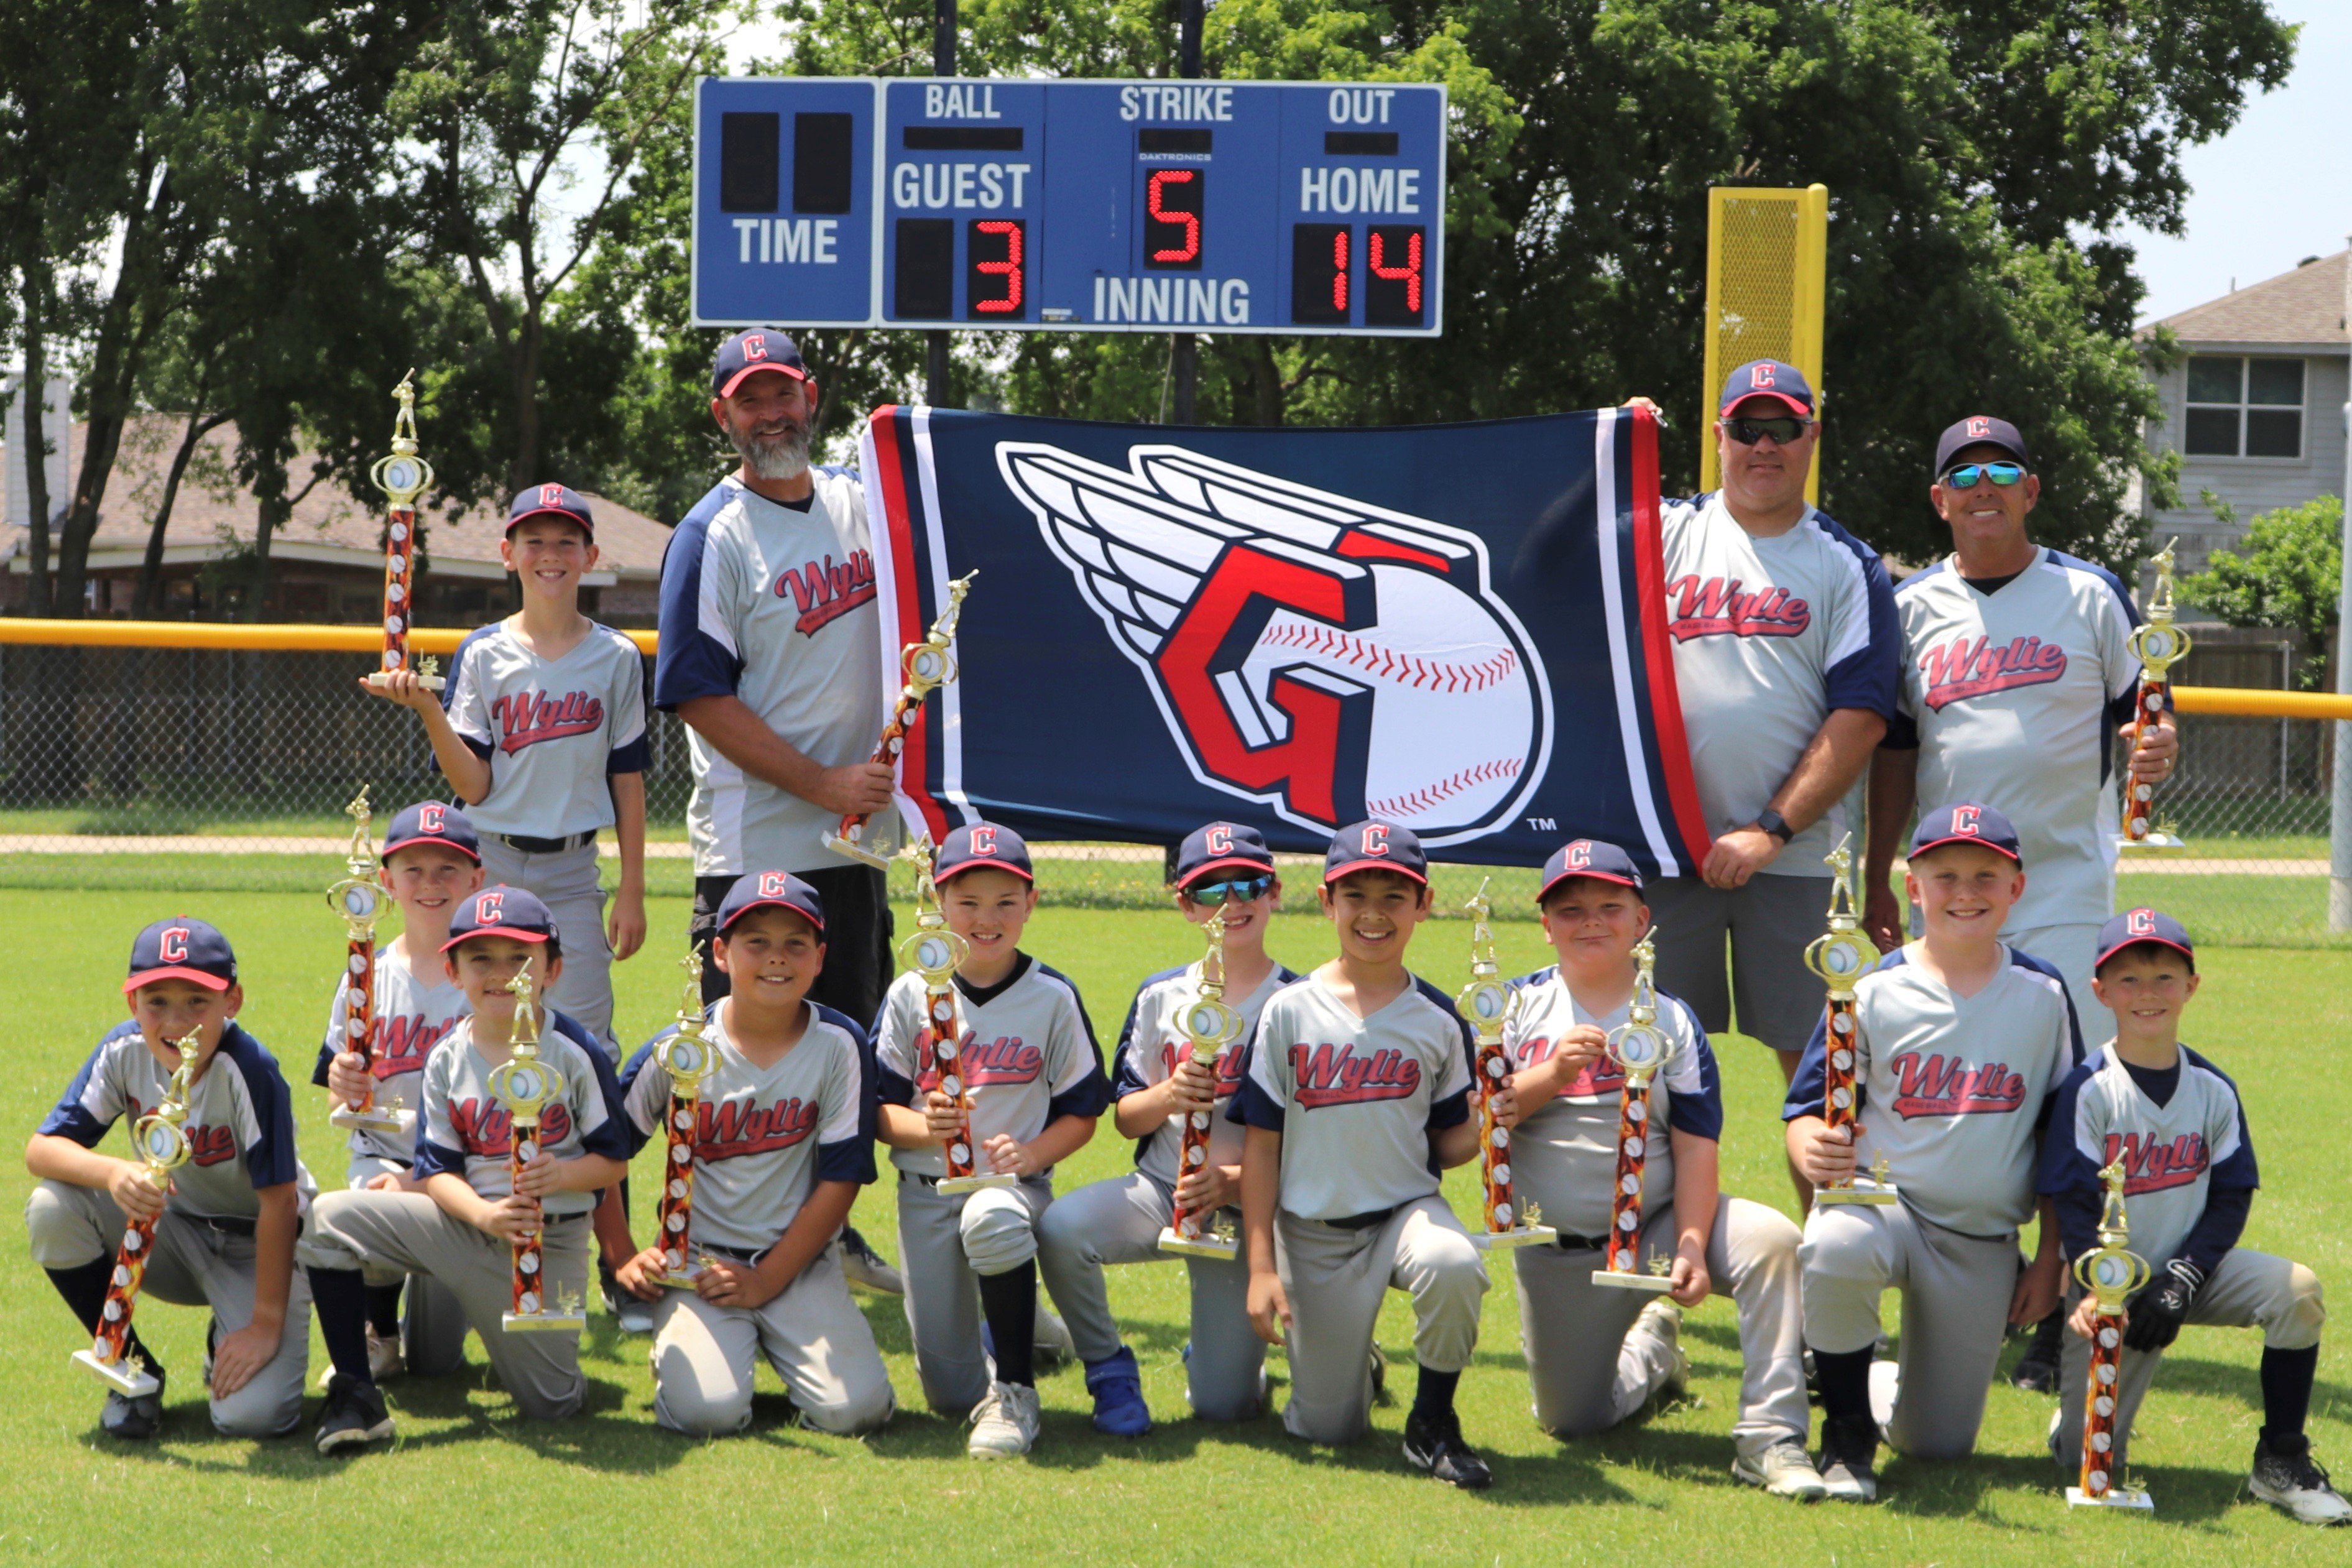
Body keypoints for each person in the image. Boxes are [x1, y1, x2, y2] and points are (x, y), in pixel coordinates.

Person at [1863, 414, 2179, 1390]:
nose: (1982, 486)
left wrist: (2159, 752)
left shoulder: (2087, 595)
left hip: (2062, 885)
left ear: (2030, 489)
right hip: (1951, 896)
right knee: (1960, 1088)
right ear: (1938, 499)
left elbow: (2146, 716)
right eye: (1962, 474)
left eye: (2001, 469)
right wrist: (1881, 869)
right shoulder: (1911, 604)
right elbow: (1896, 750)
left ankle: (2069, 1295)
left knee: (2076, 1094)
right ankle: (1956, 1278)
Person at [653, 328, 903, 1298]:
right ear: (724, 415)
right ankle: (705, 1243)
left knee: (843, 1055)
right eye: (749, 400)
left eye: (783, 393)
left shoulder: (860, 504)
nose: (771, 414)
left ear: (811, 394)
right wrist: (823, 783)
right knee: (737, 1069)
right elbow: (697, 694)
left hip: (858, 848)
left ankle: (825, 1239)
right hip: (756, 846)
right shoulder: (708, 534)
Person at [1635, 363, 1900, 1171]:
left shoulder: (1843, 565)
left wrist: (1766, 828)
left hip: (1795, 862)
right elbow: (1544, 544)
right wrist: (1615, 453)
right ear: (1715, 435)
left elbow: (1857, 719)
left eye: (1781, 427)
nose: (1761, 444)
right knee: (1642, 1070)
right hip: (1661, 855)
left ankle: (1824, 1266)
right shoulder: (1658, 532)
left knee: (1818, 1078)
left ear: (1809, 440)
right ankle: (1647, 1265)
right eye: (1744, 426)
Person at [1497, 839, 1821, 1499]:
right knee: (1573, 1420)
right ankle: (1655, 1350)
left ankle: (1772, 1438)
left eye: (1610, 906)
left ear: (1642, 918)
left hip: (1659, 1223)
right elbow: (1484, 1118)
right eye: (1571, 908)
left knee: (1774, 1242)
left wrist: (1696, 1243)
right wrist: (1552, 1074)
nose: (1591, 920)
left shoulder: (1671, 1017)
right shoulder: (1513, 1007)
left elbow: (1697, 1142)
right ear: (1545, 924)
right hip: (1561, 1250)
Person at [1784, 803, 2080, 1501]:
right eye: (1944, 874)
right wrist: (1814, 1150)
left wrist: (2050, 1258)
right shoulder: (1870, 985)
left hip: (1979, 1234)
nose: (1965, 890)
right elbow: (1805, 1109)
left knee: (1937, 1444)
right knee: (1834, 1244)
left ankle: (1880, 1381)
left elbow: (2064, 1139)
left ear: (2018, 887)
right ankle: (1848, 1432)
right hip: (1884, 1206)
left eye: (1987, 874)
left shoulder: (2042, 994)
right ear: (1913, 887)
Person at [2040, 908, 2346, 1524]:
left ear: (2191, 985)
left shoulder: (2212, 1087)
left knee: (2298, 1291)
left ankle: (2281, 1459)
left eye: (2163, 976)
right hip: (2111, 1288)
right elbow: (2072, 1197)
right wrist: (2090, 1279)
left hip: (2192, 1271)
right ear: (2100, 991)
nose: (2146, 992)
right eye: (2127, 979)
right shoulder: (2090, 1087)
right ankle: (2065, 1424)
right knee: (2087, 1456)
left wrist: (2183, 1278)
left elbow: (2232, 1193)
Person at [303, 887, 631, 1452]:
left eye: (519, 959)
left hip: (549, 1243)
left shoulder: (576, 1052)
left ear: (552, 968)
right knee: (329, 1216)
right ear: (454, 972)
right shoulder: (447, 1057)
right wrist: (483, 1213)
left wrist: (562, 1176)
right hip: (463, 1226)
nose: (501, 974)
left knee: (550, 1406)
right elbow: (436, 1172)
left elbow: (614, 1161)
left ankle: (496, 1324)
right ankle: (356, 1388)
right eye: (481, 959)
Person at [1231, 821, 1495, 1488]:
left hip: (1404, 1214)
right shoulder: (1290, 1010)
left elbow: (1450, 1144)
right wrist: (1262, 1265)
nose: (1374, 912)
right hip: (1313, 1233)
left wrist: (1494, 1121)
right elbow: (1262, 1145)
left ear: (1424, 903)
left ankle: (1433, 1421)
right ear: (1327, 902)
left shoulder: (1437, 1017)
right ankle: (1357, 1361)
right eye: (1356, 895)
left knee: (1455, 1260)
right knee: (1328, 1428)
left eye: (1394, 896)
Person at [361, 483, 649, 1057]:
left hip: (572, 870)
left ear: (590, 557)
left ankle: (580, 1148)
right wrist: (428, 710)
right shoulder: (484, 651)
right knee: (473, 1026)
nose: (550, 554)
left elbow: (627, 778)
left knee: (587, 1037)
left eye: (567, 542)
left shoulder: (617, 657)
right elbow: (472, 786)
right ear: (507, 552)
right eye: (534, 540)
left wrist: (634, 888)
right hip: (487, 863)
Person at [611, 872, 895, 1438]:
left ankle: (773, 1327)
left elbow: (842, 1179)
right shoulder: (680, 1048)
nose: (776, 958)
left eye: (796, 943)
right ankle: (691, 1345)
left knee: (854, 1413)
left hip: (799, 1262)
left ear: (819, 958)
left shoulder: (840, 1044)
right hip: (700, 1265)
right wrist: (620, 1253)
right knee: (706, 1415)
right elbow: (606, 1153)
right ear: (720, 952)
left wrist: (766, 1281)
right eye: (755, 941)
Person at [1036, 822, 1296, 1436]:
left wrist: (1235, 1181)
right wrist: (1168, 1093)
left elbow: (1317, 1138)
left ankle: (1289, 1355)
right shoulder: (1161, 993)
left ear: (1276, 892)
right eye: (1211, 889)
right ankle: (1108, 1365)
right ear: (1184, 902)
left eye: (1249, 884)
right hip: (1161, 1189)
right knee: (1060, 1229)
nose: (1232, 902)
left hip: (1249, 1206)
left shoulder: (1302, 1000)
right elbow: (1125, 1115)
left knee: (1223, 1404)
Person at [872, 822, 1111, 1459]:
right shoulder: (909, 994)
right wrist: (926, 1125)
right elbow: (878, 1111)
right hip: (925, 1189)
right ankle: (1034, 1326)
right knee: (950, 1394)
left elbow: (1083, 1111)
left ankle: (1015, 1388)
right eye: (968, 901)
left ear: (1031, 903)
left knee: (995, 1217)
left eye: (1006, 901)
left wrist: (1034, 1154)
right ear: (940, 902)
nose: (986, 917)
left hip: (1012, 1189)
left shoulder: (1051, 996)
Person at [27, 918, 316, 1441]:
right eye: (156, 1000)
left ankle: (229, 1330)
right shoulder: (123, 1051)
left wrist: (265, 1324)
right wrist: (116, 1171)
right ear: (131, 1003)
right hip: (176, 1234)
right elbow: (41, 1149)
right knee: (52, 1208)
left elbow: (281, 1201)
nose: (176, 1021)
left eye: (197, 1001)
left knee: (253, 1418)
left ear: (233, 1001)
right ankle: (133, 1371)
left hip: (261, 1245)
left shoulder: (249, 1068)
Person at [315, 800, 482, 1384]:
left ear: (476, 880)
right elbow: (338, 1092)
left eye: (448, 869)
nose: (431, 883)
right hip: (383, 1158)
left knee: (437, 1362)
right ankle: (379, 1331)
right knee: (374, 1204)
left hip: (465, 1174)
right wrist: (343, 1082)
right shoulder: (365, 975)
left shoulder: (487, 981)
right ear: (385, 882)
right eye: (414, 869)